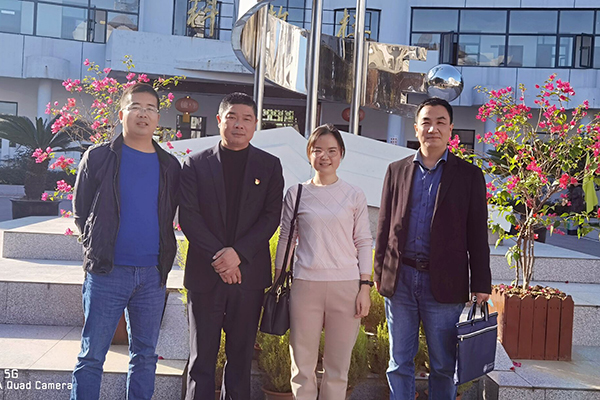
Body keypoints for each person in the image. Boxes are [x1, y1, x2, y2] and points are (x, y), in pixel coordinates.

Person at [374, 98, 491, 400]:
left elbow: (477, 234)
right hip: (400, 280)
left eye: (440, 122)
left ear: (451, 129)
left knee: (443, 365)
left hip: (445, 283)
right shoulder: (396, 170)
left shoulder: (469, 176)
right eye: (426, 122)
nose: (433, 128)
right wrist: (379, 273)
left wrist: (481, 283)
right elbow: (384, 226)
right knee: (399, 362)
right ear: (416, 128)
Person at [71, 83, 181, 399]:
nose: (143, 114)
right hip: (107, 273)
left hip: (152, 276)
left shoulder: (169, 165)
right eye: (135, 107)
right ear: (121, 114)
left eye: (150, 109)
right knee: (92, 355)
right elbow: (81, 211)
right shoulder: (99, 157)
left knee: (145, 356)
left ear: (157, 118)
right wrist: (96, 247)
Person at [180, 92, 284, 400]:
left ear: (255, 125)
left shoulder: (269, 166)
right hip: (205, 275)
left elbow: (271, 217)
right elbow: (189, 216)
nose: (239, 124)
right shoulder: (195, 164)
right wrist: (221, 259)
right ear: (219, 120)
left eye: (247, 119)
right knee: (201, 359)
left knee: (240, 360)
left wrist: (237, 255)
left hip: (248, 277)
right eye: (232, 117)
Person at [274, 124, 373, 400]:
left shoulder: (354, 194)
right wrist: (277, 279)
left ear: (341, 154)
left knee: (338, 368)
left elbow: (364, 241)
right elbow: (286, 238)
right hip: (305, 285)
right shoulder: (296, 193)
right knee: (302, 365)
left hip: (346, 286)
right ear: (309, 154)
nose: (324, 156)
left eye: (331, 150)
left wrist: (365, 287)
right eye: (317, 150)